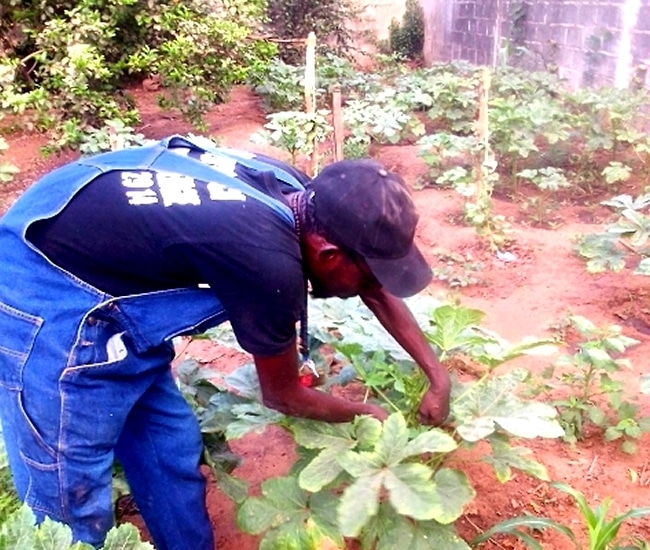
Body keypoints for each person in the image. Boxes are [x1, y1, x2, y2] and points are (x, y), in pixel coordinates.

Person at [0, 135, 451, 550]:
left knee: (168, 449)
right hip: (45, 289)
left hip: (106, 269)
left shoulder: (301, 196)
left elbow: (373, 289)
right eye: (368, 271)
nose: (368, 286)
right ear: (328, 254)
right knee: (68, 499)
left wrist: (437, 375)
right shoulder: (269, 264)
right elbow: (283, 395)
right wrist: (367, 414)